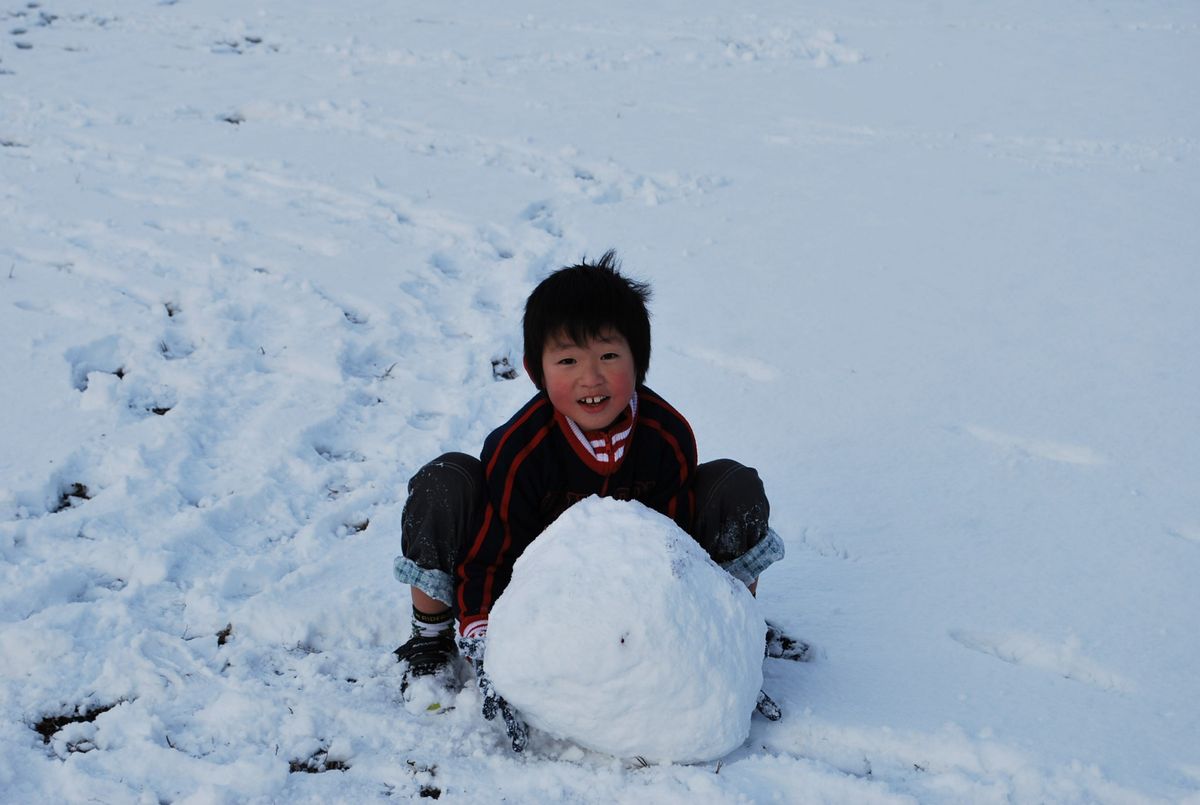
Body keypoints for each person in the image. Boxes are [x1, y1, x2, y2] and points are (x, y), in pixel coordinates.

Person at [392, 250, 804, 752]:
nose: (591, 378)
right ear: (535, 370)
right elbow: (489, 553)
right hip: (533, 596)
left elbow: (676, 548)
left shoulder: (666, 436)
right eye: (568, 360)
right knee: (446, 481)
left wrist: (708, 643)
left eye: (609, 356)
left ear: (639, 360)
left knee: (734, 485)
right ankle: (429, 637)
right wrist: (486, 639)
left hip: (630, 592)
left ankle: (738, 627)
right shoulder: (519, 449)